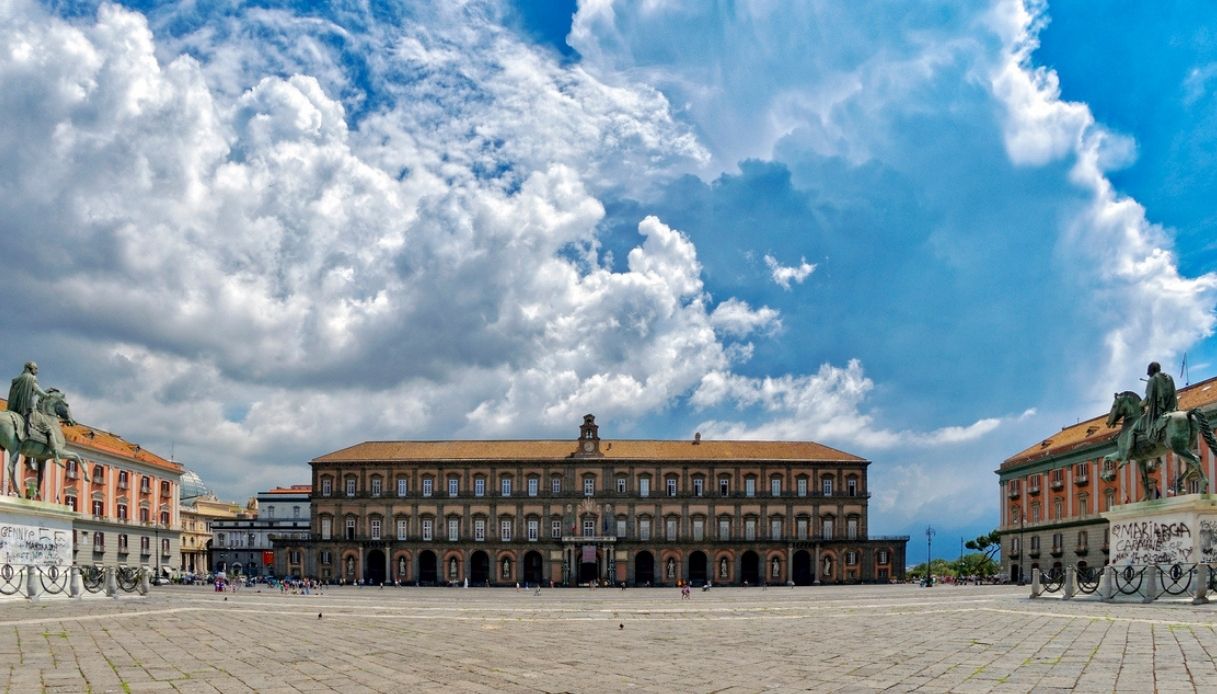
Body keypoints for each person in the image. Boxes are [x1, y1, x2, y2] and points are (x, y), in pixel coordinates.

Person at [1140, 361, 1178, 446]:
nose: (1148, 375)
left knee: (1144, 424)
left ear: (1152, 371)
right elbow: (1174, 393)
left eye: (1149, 373)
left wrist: (1138, 405)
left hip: (1159, 412)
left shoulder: (1152, 379)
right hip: (1171, 409)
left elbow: (1147, 400)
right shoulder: (1170, 377)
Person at [8, 361, 48, 438]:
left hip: (13, 407)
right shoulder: (31, 378)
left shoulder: (17, 379)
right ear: (30, 368)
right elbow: (36, 389)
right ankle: (27, 433)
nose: (37, 371)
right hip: (25, 407)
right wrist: (46, 395)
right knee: (33, 420)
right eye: (35, 368)